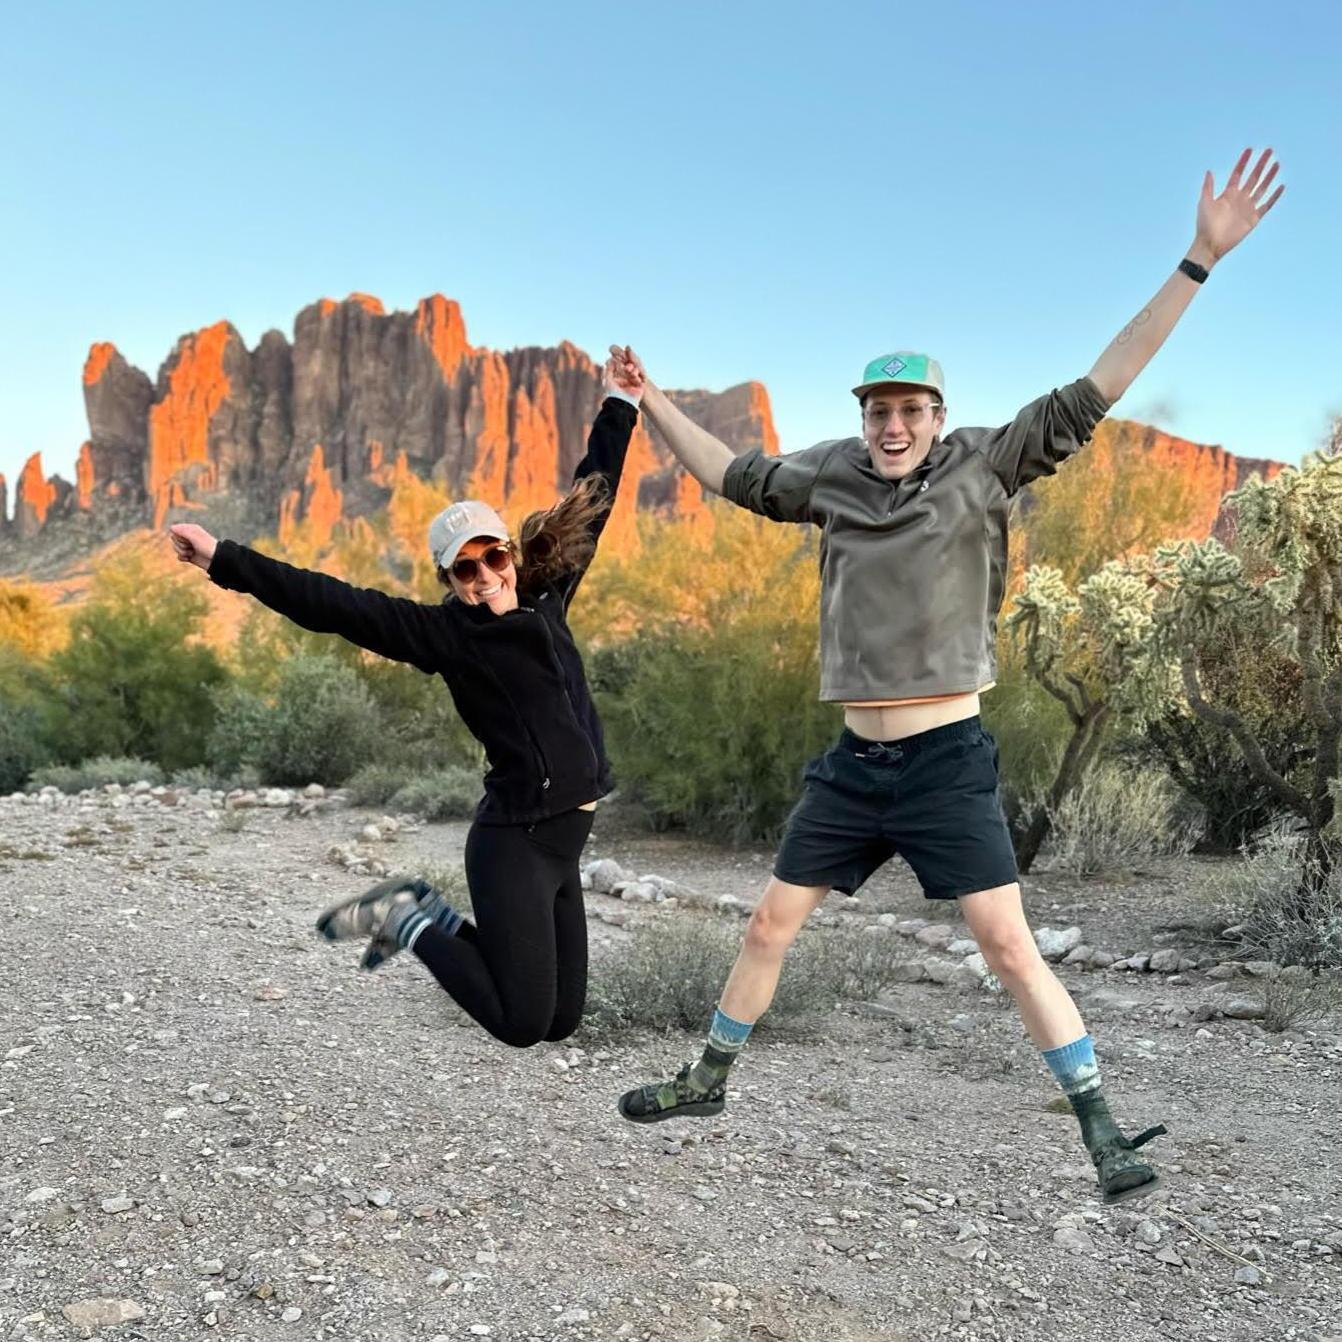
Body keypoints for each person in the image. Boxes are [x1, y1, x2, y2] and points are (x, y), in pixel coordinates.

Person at [614, 148, 1284, 1204]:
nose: (890, 425)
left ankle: (1103, 1134)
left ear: (937, 414)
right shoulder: (829, 472)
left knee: (1009, 949)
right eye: (877, 408)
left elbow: (1102, 380)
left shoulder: (986, 463)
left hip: (943, 761)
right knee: (766, 923)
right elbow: (728, 474)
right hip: (851, 767)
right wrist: (649, 399)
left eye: (909, 409)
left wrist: (1198, 259)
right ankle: (708, 1076)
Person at [169, 357, 644, 1048]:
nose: (485, 577)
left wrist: (620, 400)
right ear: (449, 579)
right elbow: (331, 602)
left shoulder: (548, 594)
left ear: (512, 554)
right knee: (519, 1023)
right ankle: (407, 915)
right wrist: (224, 559)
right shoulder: (445, 636)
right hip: (514, 843)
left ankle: (429, 917)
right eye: (465, 568)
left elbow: (593, 490)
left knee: (561, 1021)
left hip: (564, 845)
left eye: (494, 558)